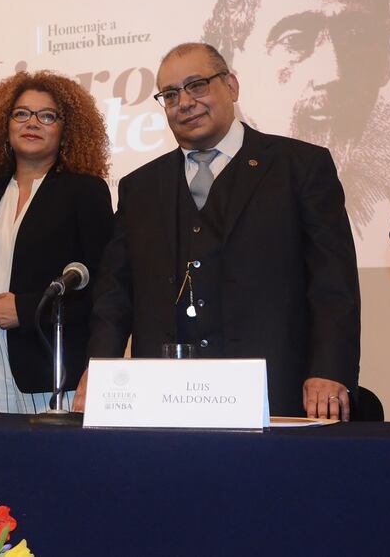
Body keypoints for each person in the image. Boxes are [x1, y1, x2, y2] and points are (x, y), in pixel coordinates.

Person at [73, 42, 360, 419]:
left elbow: (332, 281)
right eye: (171, 94)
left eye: (197, 85)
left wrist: (328, 370)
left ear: (232, 86)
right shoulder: (140, 186)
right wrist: (101, 367)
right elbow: (115, 293)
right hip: (164, 399)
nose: (185, 102)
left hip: (274, 394)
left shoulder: (300, 167)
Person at [203, 0, 390, 239]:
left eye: (355, 35)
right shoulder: (198, 200)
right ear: (233, 69)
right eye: (295, 39)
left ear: (387, 61)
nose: (333, 73)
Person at [0, 71, 113, 413]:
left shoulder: (85, 192)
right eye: (21, 113)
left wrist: (29, 309)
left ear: (66, 131)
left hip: (48, 361)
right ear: (5, 125)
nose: (33, 123)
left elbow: (104, 291)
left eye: (47, 115)